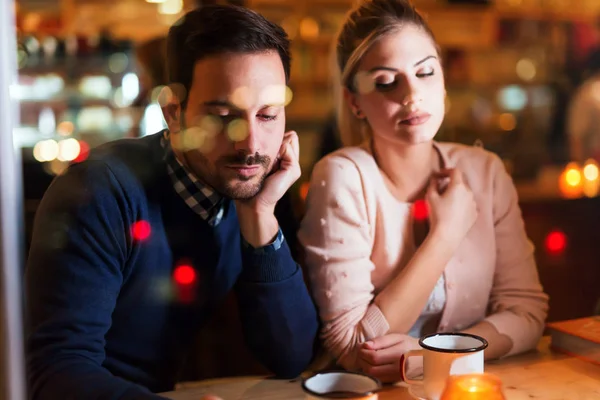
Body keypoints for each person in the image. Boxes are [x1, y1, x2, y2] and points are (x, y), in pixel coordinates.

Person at [25, 5, 319, 399]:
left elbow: (292, 355)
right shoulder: (99, 192)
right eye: (222, 116)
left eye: (268, 116)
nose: (250, 144)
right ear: (174, 114)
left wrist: (260, 214)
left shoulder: (256, 187)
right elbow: (56, 374)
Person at [298, 0, 549, 383]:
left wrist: (433, 356)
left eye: (426, 72)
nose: (412, 95)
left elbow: (527, 313)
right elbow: (351, 348)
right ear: (355, 102)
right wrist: (447, 232)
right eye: (386, 82)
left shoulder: (486, 172)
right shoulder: (342, 177)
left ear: (443, 78)